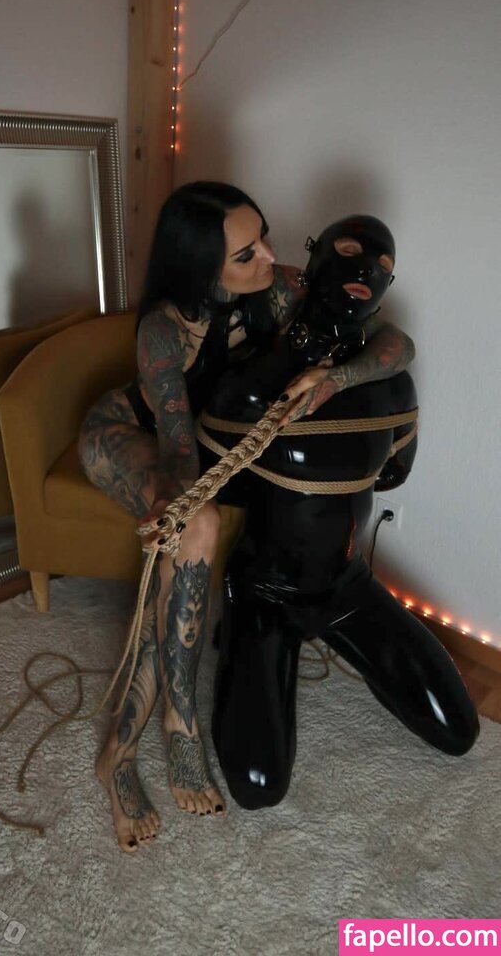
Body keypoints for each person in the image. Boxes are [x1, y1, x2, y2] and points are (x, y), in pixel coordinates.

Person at [77, 185, 416, 854]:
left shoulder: (278, 288)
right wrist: (175, 513)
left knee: (213, 529)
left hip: (208, 441)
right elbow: (180, 455)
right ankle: (147, 742)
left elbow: (396, 342)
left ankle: (169, 725)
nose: (267, 255)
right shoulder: (163, 331)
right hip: (133, 436)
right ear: (201, 265)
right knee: (195, 530)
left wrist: (335, 380)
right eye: (245, 253)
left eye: (262, 236)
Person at [195, 215, 479, 809]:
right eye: (349, 251)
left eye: (382, 267)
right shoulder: (253, 379)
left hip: (347, 586)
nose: (365, 270)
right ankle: (247, 634)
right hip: (265, 589)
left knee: (459, 730)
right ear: (316, 257)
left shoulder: (391, 385)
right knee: (258, 785)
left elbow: (395, 470)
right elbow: (214, 481)